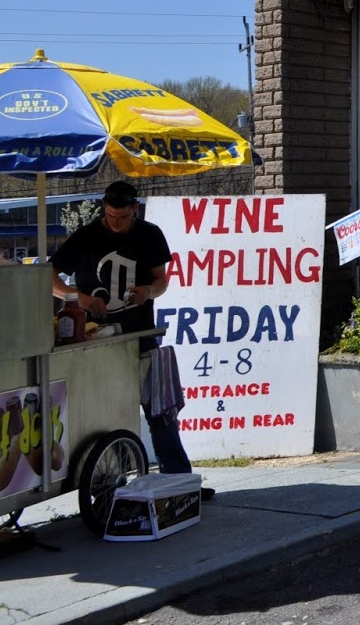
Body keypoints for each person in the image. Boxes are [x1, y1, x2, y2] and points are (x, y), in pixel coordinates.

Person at [51, 181, 213, 500]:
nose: (115, 223)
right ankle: (107, 485)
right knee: (102, 412)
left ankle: (179, 484)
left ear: (134, 210)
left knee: (159, 410)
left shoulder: (149, 234)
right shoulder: (86, 236)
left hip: (140, 334)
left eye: (122, 217)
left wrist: (148, 292)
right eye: (110, 216)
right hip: (95, 341)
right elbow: (48, 278)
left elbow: (161, 280)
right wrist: (78, 297)